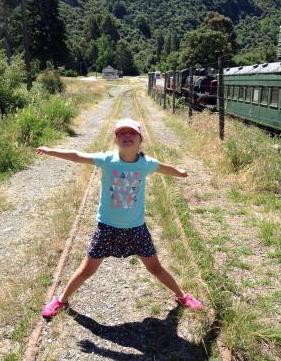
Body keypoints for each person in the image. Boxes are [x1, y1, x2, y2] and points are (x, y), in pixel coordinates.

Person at [36, 118, 202, 319]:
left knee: (155, 268)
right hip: (107, 227)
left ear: (140, 139)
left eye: (131, 133)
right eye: (121, 133)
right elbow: (77, 155)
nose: (127, 136)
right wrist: (50, 151)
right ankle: (61, 300)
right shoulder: (107, 160)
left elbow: (164, 168)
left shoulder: (145, 164)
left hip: (136, 229)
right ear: (116, 140)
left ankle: (182, 296)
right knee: (87, 269)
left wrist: (180, 172)